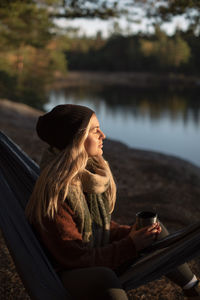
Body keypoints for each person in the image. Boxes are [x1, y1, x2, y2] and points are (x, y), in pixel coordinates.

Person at [25, 104, 200, 300]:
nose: (103, 135)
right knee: (104, 277)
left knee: (153, 231)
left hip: (92, 257)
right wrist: (130, 244)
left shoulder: (87, 176)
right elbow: (74, 257)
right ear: (75, 139)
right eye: (94, 130)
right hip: (69, 273)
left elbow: (96, 228)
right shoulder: (56, 192)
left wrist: (131, 233)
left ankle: (194, 288)